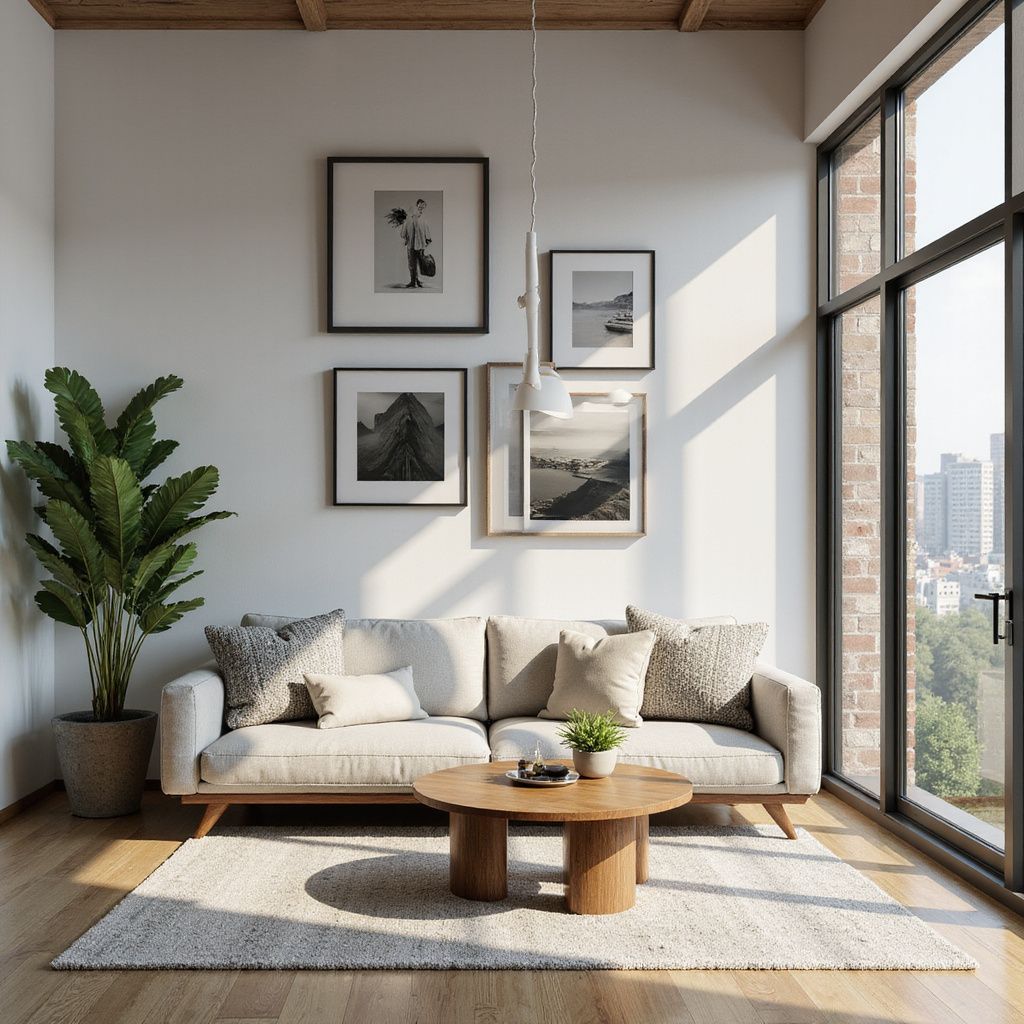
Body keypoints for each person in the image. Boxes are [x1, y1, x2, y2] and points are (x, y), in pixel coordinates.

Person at [400, 198, 431, 289]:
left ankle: (416, 281)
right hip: (411, 244)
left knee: (418, 263)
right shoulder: (409, 219)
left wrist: (428, 240)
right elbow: (403, 233)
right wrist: (406, 237)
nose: (421, 208)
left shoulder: (423, 219)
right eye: (420, 206)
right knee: (412, 264)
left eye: (423, 207)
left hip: (420, 245)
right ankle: (413, 281)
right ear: (417, 206)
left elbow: (426, 231)